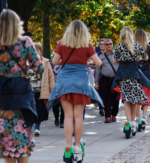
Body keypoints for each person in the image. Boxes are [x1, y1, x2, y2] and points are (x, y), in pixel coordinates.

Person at [0, 10, 43, 163]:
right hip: (22, 100)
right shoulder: (25, 42)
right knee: (22, 142)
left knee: (6, 142)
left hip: (1, 99)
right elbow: (38, 67)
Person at [48, 20, 103, 159]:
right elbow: (99, 63)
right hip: (81, 82)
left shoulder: (61, 43)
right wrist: (87, 62)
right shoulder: (87, 44)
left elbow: (54, 62)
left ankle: (67, 147)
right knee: (78, 116)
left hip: (65, 81)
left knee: (67, 116)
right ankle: (77, 146)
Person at [112, 26, 149, 137]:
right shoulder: (137, 46)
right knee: (135, 99)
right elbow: (146, 57)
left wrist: (123, 59)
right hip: (134, 73)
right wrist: (138, 59)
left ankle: (128, 121)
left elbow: (115, 61)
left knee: (126, 99)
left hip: (123, 74)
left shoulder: (119, 46)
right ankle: (133, 122)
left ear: (122, 34)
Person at [31, 43, 55, 136]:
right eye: (34, 49)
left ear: (41, 51)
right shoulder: (27, 62)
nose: (35, 51)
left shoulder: (46, 62)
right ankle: (32, 125)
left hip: (42, 89)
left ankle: (37, 127)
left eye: (37, 50)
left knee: (40, 109)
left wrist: (52, 89)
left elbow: (51, 76)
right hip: (30, 90)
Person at [135, 29, 150, 126]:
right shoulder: (149, 47)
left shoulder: (133, 47)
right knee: (147, 95)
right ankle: (144, 116)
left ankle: (137, 117)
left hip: (136, 72)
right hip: (147, 73)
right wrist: (149, 62)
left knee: (136, 96)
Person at [95, 39, 120, 123]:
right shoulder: (101, 57)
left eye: (110, 44)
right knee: (106, 99)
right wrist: (96, 83)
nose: (109, 45)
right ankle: (107, 116)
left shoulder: (117, 55)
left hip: (115, 80)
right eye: (107, 44)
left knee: (116, 99)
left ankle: (114, 115)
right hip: (104, 79)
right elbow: (98, 70)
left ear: (112, 45)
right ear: (104, 46)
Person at [49, 58, 65, 128]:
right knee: (55, 104)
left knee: (63, 105)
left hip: (63, 87)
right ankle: (56, 118)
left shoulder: (65, 63)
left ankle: (62, 121)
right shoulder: (51, 63)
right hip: (54, 87)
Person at [94, 40, 106, 116]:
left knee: (106, 93)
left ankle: (105, 107)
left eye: (103, 44)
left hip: (106, 75)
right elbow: (94, 62)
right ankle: (101, 108)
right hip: (99, 75)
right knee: (100, 93)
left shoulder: (109, 54)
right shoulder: (97, 54)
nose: (101, 46)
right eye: (100, 44)